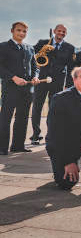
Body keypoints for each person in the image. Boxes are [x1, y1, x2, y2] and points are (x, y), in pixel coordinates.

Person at [30, 24, 74, 145]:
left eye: (64, 31)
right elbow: (31, 56)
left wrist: (68, 85)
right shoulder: (42, 42)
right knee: (36, 107)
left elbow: (71, 68)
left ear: (66, 33)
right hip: (41, 80)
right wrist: (42, 50)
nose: (61, 33)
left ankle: (52, 134)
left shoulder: (70, 47)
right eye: (59, 31)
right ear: (54, 31)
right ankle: (35, 134)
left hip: (58, 82)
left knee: (54, 109)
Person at [0, 22, 39, 155]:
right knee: (5, 118)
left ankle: (17, 146)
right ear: (12, 31)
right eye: (19, 30)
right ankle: (2, 148)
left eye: (24, 31)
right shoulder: (3, 46)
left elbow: (35, 67)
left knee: (22, 118)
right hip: (10, 88)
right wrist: (13, 77)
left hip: (27, 90)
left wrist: (35, 77)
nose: (22, 33)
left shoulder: (30, 48)